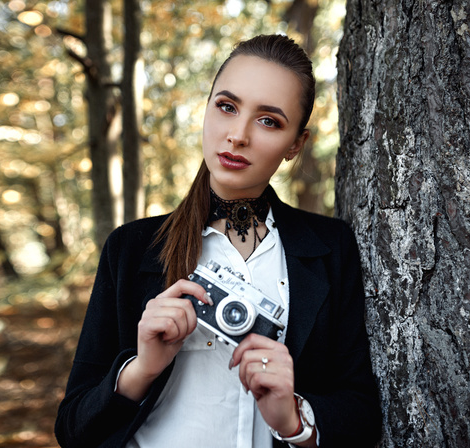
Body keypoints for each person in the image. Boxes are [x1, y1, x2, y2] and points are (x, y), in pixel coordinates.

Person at [55, 34, 382, 447]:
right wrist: (141, 369)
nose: (238, 135)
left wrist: (296, 419)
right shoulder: (131, 248)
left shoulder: (330, 247)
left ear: (295, 145)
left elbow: (362, 412)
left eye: (269, 120)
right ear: (206, 110)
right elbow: (72, 430)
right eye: (227, 107)